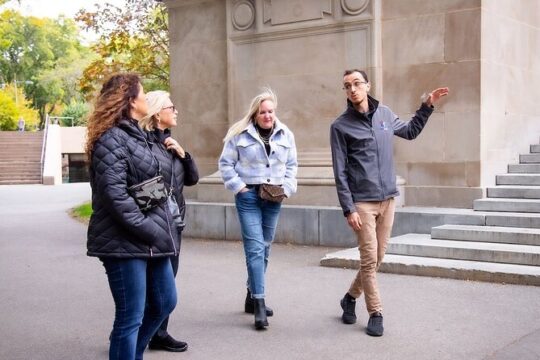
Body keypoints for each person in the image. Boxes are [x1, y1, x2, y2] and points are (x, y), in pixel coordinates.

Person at [330, 69, 449, 337]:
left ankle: (349, 297)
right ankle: (376, 312)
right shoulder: (340, 126)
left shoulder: (384, 114)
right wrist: (348, 208)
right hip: (362, 202)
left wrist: (426, 106)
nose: (352, 89)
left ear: (367, 85)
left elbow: (410, 131)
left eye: (357, 83)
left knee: (379, 256)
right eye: (347, 86)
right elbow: (340, 171)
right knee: (369, 259)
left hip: (388, 199)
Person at [85, 73, 178, 360]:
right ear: (130, 100)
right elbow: (114, 196)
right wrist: (149, 229)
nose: (145, 97)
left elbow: (158, 180)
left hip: (150, 237)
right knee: (130, 317)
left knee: (164, 303)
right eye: (142, 92)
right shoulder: (111, 139)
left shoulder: (137, 135)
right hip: (124, 241)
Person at [218, 88, 298, 330]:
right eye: (262, 112)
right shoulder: (239, 134)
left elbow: (292, 165)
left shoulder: (285, 134)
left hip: (273, 197)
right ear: (255, 114)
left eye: (271, 111)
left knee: (264, 249)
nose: (267, 116)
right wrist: (240, 188)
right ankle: (260, 304)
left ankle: (251, 296)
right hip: (249, 197)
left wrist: (287, 188)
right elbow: (225, 164)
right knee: (254, 248)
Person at [138, 90, 199, 352]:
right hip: (155, 222)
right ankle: (137, 334)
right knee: (153, 284)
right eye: (171, 107)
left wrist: (184, 154)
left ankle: (158, 332)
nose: (175, 111)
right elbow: (145, 186)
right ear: (157, 113)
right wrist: (159, 207)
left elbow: (192, 179)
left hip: (174, 222)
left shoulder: (170, 143)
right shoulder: (145, 144)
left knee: (168, 279)